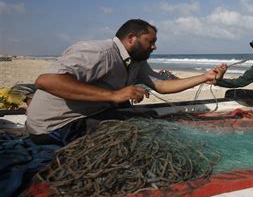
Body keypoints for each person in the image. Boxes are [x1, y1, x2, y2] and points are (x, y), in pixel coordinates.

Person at [26, 19, 222, 145]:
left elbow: (162, 85)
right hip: (55, 127)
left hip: (91, 114)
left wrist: (205, 77)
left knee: (150, 116)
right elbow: (46, 81)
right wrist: (114, 95)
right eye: (150, 41)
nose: (154, 47)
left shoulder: (137, 60)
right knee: (140, 132)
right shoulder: (99, 52)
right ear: (131, 38)